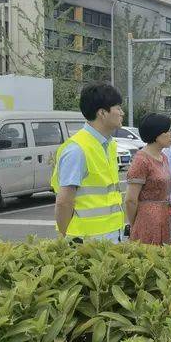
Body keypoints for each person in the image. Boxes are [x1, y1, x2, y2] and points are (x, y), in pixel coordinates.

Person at [52, 83, 126, 242]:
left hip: (112, 236)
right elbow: (64, 202)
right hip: (85, 242)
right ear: (102, 113)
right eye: (118, 108)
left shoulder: (109, 145)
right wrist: (65, 239)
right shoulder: (77, 150)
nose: (122, 113)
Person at [125, 113, 171, 245]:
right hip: (148, 220)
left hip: (167, 215)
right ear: (156, 134)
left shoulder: (163, 157)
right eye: (168, 131)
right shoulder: (141, 160)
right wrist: (136, 225)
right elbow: (130, 200)